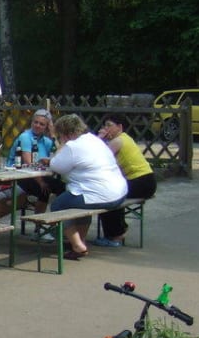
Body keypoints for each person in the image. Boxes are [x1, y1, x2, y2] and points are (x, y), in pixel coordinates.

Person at [47, 114, 127, 260]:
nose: (60, 138)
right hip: (119, 192)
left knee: (58, 205)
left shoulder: (72, 145)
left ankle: (77, 245)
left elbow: (56, 166)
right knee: (81, 205)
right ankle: (80, 240)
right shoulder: (94, 140)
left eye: (61, 136)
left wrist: (61, 147)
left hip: (100, 194)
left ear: (68, 134)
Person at [94, 113, 157, 246]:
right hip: (147, 181)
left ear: (119, 127)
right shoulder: (125, 138)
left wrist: (99, 138)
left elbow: (96, 156)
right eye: (104, 125)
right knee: (112, 191)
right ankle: (119, 229)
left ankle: (116, 235)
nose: (106, 128)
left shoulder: (118, 141)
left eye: (109, 125)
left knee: (108, 195)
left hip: (141, 182)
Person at [8, 109, 65, 228]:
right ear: (31, 122)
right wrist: (41, 182)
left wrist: (53, 134)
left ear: (47, 127)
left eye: (42, 124)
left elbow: (61, 154)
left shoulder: (46, 141)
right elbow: (29, 164)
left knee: (64, 188)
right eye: (36, 122)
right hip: (20, 175)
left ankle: (56, 225)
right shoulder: (25, 137)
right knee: (45, 188)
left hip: (37, 176)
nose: (38, 126)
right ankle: (40, 228)